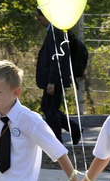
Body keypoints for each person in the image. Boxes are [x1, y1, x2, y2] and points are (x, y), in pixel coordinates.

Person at [35, 8, 82, 145]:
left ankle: (56, 142)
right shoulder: (54, 31)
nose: (39, 22)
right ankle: (74, 129)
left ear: (47, 16)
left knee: (51, 111)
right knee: (48, 107)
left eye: (40, 19)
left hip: (55, 79)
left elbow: (58, 58)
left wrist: (52, 81)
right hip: (54, 79)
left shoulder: (56, 31)